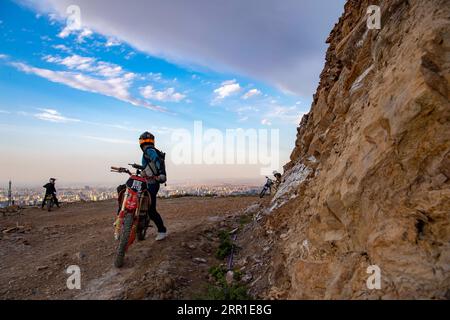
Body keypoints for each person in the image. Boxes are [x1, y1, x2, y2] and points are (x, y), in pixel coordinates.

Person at [139, 131, 167, 241]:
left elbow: (156, 160)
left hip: (152, 183)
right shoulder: (151, 150)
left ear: (141, 142)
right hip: (149, 182)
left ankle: (162, 230)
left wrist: (161, 174)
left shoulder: (148, 151)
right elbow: (149, 165)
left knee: (151, 210)